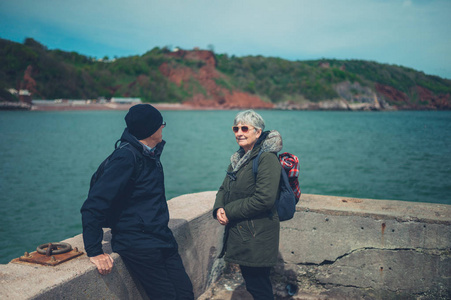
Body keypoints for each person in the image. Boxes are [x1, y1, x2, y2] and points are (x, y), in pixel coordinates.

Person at [81, 104, 194, 300]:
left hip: (161, 238)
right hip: (139, 244)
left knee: (185, 293)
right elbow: (94, 205)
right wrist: (94, 251)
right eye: (161, 124)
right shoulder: (126, 158)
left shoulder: (149, 154)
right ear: (150, 130)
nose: (163, 128)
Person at [213, 109, 283, 300]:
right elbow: (223, 187)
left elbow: (264, 199)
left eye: (245, 128)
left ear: (258, 132)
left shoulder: (266, 159)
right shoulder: (238, 158)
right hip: (245, 234)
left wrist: (229, 211)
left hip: (257, 235)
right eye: (236, 128)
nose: (239, 133)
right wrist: (219, 207)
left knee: (259, 287)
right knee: (255, 285)